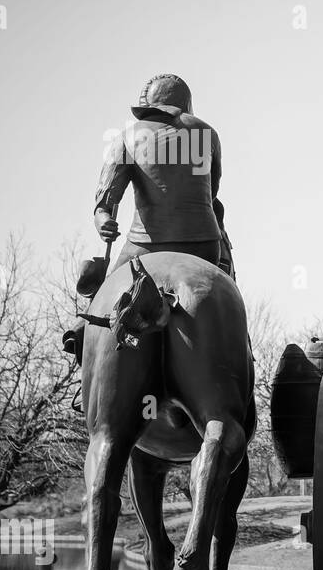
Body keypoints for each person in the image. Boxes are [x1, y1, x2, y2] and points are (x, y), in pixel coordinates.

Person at [62, 74, 231, 359]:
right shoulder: (207, 133)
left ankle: (81, 332)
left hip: (145, 248)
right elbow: (212, 191)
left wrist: (103, 221)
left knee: (105, 295)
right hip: (203, 246)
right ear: (186, 105)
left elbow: (106, 201)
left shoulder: (127, 137)